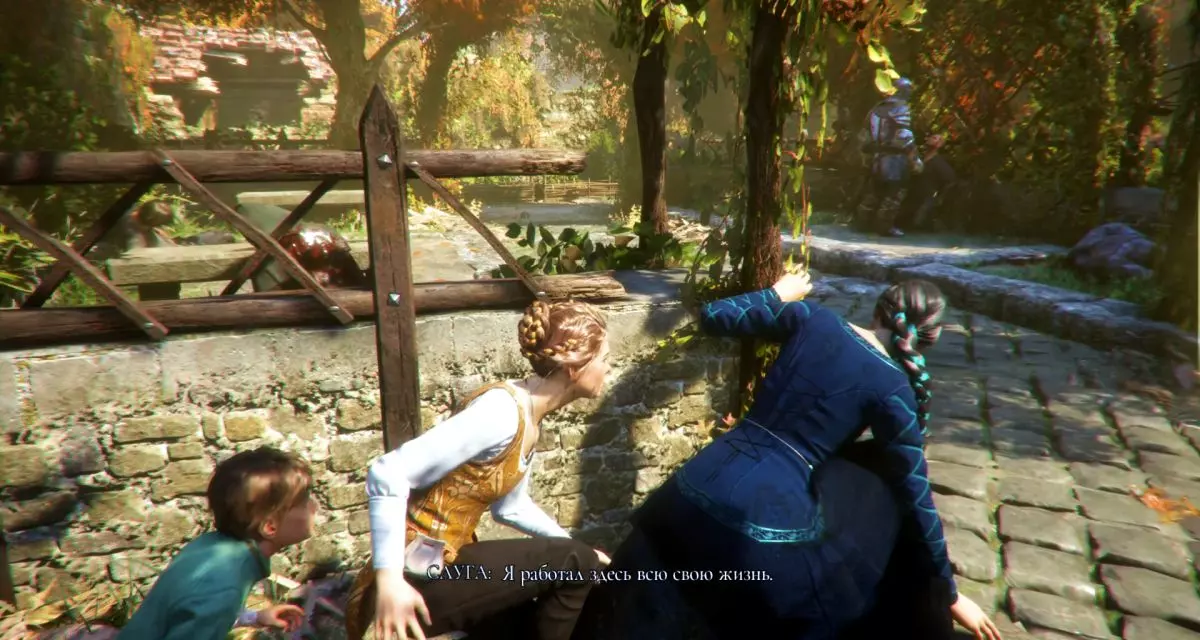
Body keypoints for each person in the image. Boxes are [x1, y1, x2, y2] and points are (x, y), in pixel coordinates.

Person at [571, 272, 1002, 640]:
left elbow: (715, 314)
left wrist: (777, 293)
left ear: (879, 308)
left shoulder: (811, 317)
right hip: (767, 521)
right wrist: (947, 593)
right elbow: (916, 497)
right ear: (927, 339)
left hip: (693, 485)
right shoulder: (895, 389)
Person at [346, 298, 614, 640]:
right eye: (604, 359)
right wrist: (390, 583)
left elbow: (511, 508)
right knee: (575, 561)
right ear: (575, 367)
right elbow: (388, 472)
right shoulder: (501, 412)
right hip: (413, 577)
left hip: (447, 563)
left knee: (536, 609)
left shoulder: (529, 416)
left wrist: (581, 550)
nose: (608, 368)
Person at [117, 447, 315, 640]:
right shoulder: (224, 589)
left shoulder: (209, 546)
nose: (314, 506)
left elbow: (194, 616)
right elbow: (211, 604)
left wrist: (253, 618)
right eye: (304, 502)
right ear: (270, 527)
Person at [856, 77, 922, 237]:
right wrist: (914, 159)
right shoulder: (901, 108)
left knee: (874, 192)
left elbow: (864, 136)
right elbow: (904, 136)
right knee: (893, 194)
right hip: (895, 159)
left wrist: (866, 157)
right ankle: (884, 227)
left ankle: (863, 223)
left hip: (876, 158)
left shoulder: (875, 109)